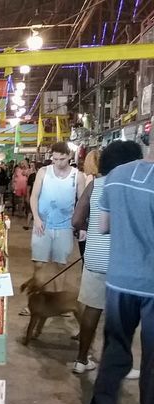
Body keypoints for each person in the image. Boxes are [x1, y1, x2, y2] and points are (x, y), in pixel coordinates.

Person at [86, 140, 154, 404]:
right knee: (152, 366)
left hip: (119, 280)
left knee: (115, 350)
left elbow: (102, 226)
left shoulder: (117, 176)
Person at [71, 141, 143, 374]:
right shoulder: (136, 185)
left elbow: (76, 220)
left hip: (94, 258)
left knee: (91, 309)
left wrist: (90, 230)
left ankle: (81, 360)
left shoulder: (96, 185)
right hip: (125, 262)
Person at [29, 143, 85, 290]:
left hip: (65, 226)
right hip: (42, 224)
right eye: (55, 159)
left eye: (62, 159)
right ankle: (36, 299)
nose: (58, 162)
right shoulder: (43, 172)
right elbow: (34, 196)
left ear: (69, 156)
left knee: (61, 264)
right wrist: (36, 217)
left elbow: (82, 203)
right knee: (39, 263)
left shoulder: (77, 176)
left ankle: (57, 300)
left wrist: (82, 226)